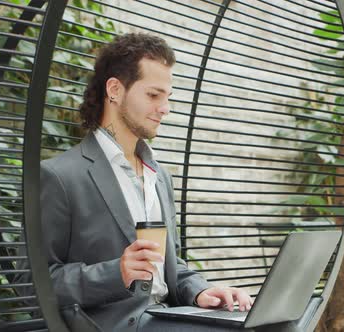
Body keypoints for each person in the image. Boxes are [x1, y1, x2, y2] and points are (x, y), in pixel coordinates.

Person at [16, 33, 252, 331]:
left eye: (167, 97)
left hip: (166, 317)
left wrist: (201, 292)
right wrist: (116, 273)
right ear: (115, 90)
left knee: (271, 323)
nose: (165, 108)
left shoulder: (160, 176)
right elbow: (30, 283)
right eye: (154, 95)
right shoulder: (60, 176)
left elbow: (169, 266)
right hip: (112, 324)